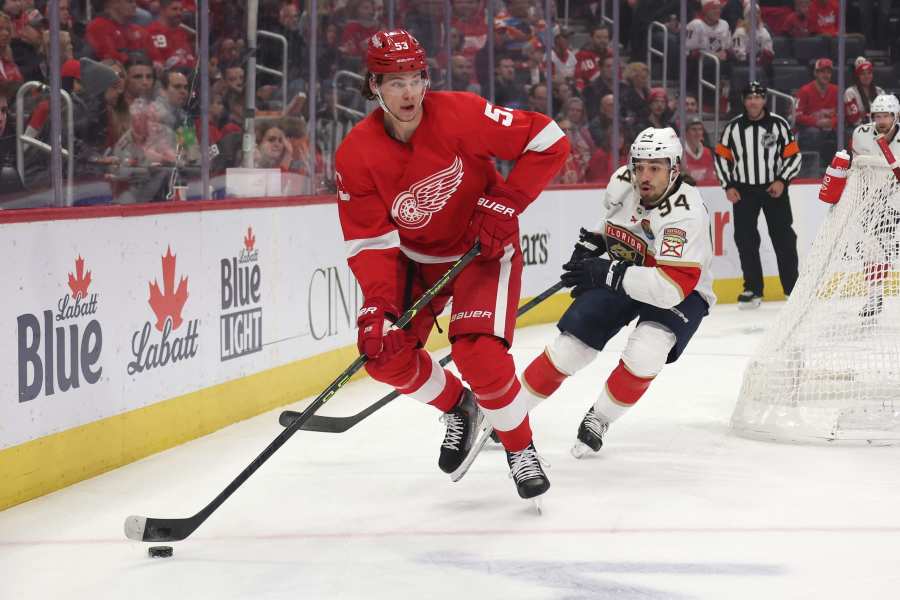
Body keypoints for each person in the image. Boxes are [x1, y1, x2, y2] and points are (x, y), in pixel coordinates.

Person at [333, 30, 568, 502]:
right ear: (373, 85)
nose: (408, 93)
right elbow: (370, 241)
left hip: (482, 250)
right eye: (394, 82)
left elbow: (549, 139)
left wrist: (506, 204)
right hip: (414, 261)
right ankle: (459, 406)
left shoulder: (461, 113)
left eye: (415, 79)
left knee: (478, 354)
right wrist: (378, 306)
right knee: (384, 353)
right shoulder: (356, 153)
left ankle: (520, 450)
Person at [520, 127, 715, 457]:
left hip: (682, 289)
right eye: (639, 166)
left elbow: (669, 289)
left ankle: (600, 417)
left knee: (646, 354)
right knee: (571, 347)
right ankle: (509, 414)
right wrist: (592, 243)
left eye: (655, 168)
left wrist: (605, 272)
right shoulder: (623, 183)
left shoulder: (685, 215)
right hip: (626, 269)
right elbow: (613, 222)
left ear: (674, 169)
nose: (644, 176)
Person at [714, 81, 802, 308]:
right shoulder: (733, 128)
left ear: (764, 100)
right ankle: (753, 289)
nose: (753, 101)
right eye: (749, 97)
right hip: (744, 191)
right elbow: (721, 157)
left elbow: (793, 156)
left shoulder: (778, 124)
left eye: (758, 97)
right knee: (746, 240)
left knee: (783, 238)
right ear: (744, 100)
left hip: (774, 189)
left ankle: (793, 289)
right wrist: (728, 185)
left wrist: (782, 180)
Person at [819, 94, 900, 318]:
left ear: (896, 116)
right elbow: (855, 167)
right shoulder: (861, 134)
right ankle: (874, 297)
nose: (882, 120)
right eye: (878, 116)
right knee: (872, 249)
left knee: (879, 249)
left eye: (887, 116)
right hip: (872, 201)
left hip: (897, 200)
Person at [796, 57, 838, 169]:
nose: (826, 75)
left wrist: (832, 122)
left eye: (829, 72)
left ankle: (838, 169)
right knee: (813, 133)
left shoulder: (836, 90)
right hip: (809, 129)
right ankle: (811, 168)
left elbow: (842, 115)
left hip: (830, 129)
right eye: (822, 72)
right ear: (815, 73)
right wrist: (817, 122)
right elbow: (798, 116)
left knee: (842, 133)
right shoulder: (805, 91)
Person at [844, 57, 885, 130]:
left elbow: (886, 115)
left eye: (869, 73)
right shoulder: (850, 93)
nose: (866, 76)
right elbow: (853, 119)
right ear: (857, 76)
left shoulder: (880, 91)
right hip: (859, 131)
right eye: (862, 74)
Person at [683, 116, 717, 184]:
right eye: (693, 129)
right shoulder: (680, 153)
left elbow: (711, 176)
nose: (697, 133)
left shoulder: (707, 152)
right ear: (686, 133)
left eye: (700, 129)